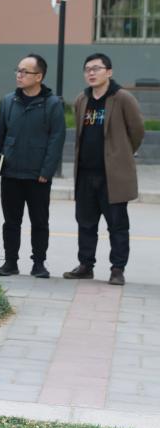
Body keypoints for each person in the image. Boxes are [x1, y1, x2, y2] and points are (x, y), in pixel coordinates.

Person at [63, 53, 145, 286]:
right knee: (85, 223)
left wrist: (122, 153)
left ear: (109, 72)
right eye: (87, 69)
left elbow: (137, 131)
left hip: (112, 176)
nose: (91, 73)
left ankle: (117, 269)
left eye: (96, 68)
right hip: (85, 174)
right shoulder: (82, 99)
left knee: (117, 225)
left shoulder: (123, 98)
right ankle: (85, 266)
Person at [0, 54, 65, 279]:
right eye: (18, 70)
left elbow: (56, 139)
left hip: (38, 176)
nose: (19, 75)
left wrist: (47, 171)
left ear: (39, 76)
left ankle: (39, 263)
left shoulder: (52, 104)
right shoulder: (9, 101)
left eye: (25, 72)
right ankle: (10, 262)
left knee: (39, 222)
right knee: (11, 222)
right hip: (11, 173)